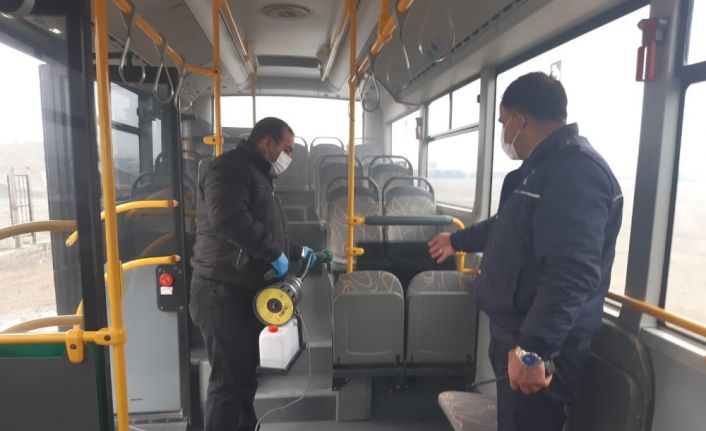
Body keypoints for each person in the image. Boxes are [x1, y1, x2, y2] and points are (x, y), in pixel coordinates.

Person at [428, 72, 623, 431]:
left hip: (538, 343)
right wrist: (457, 240)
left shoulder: (575, 174)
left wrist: (533, 350)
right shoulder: (540, 171)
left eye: (503, 121)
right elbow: (506, 226)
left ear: (519, 120)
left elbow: (570, 273)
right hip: (518, 333)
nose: (504, 131)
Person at [190, 117, 316, 431]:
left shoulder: (257, 175)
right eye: (287, 149)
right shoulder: (228, 169)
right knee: (228, 382)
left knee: (244, 374)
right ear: (267, 143)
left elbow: (264, 228)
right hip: (221, 288)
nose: (289, 157)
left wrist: (294, 251)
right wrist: (274, 254)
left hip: (240, 287)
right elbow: (228, 219)